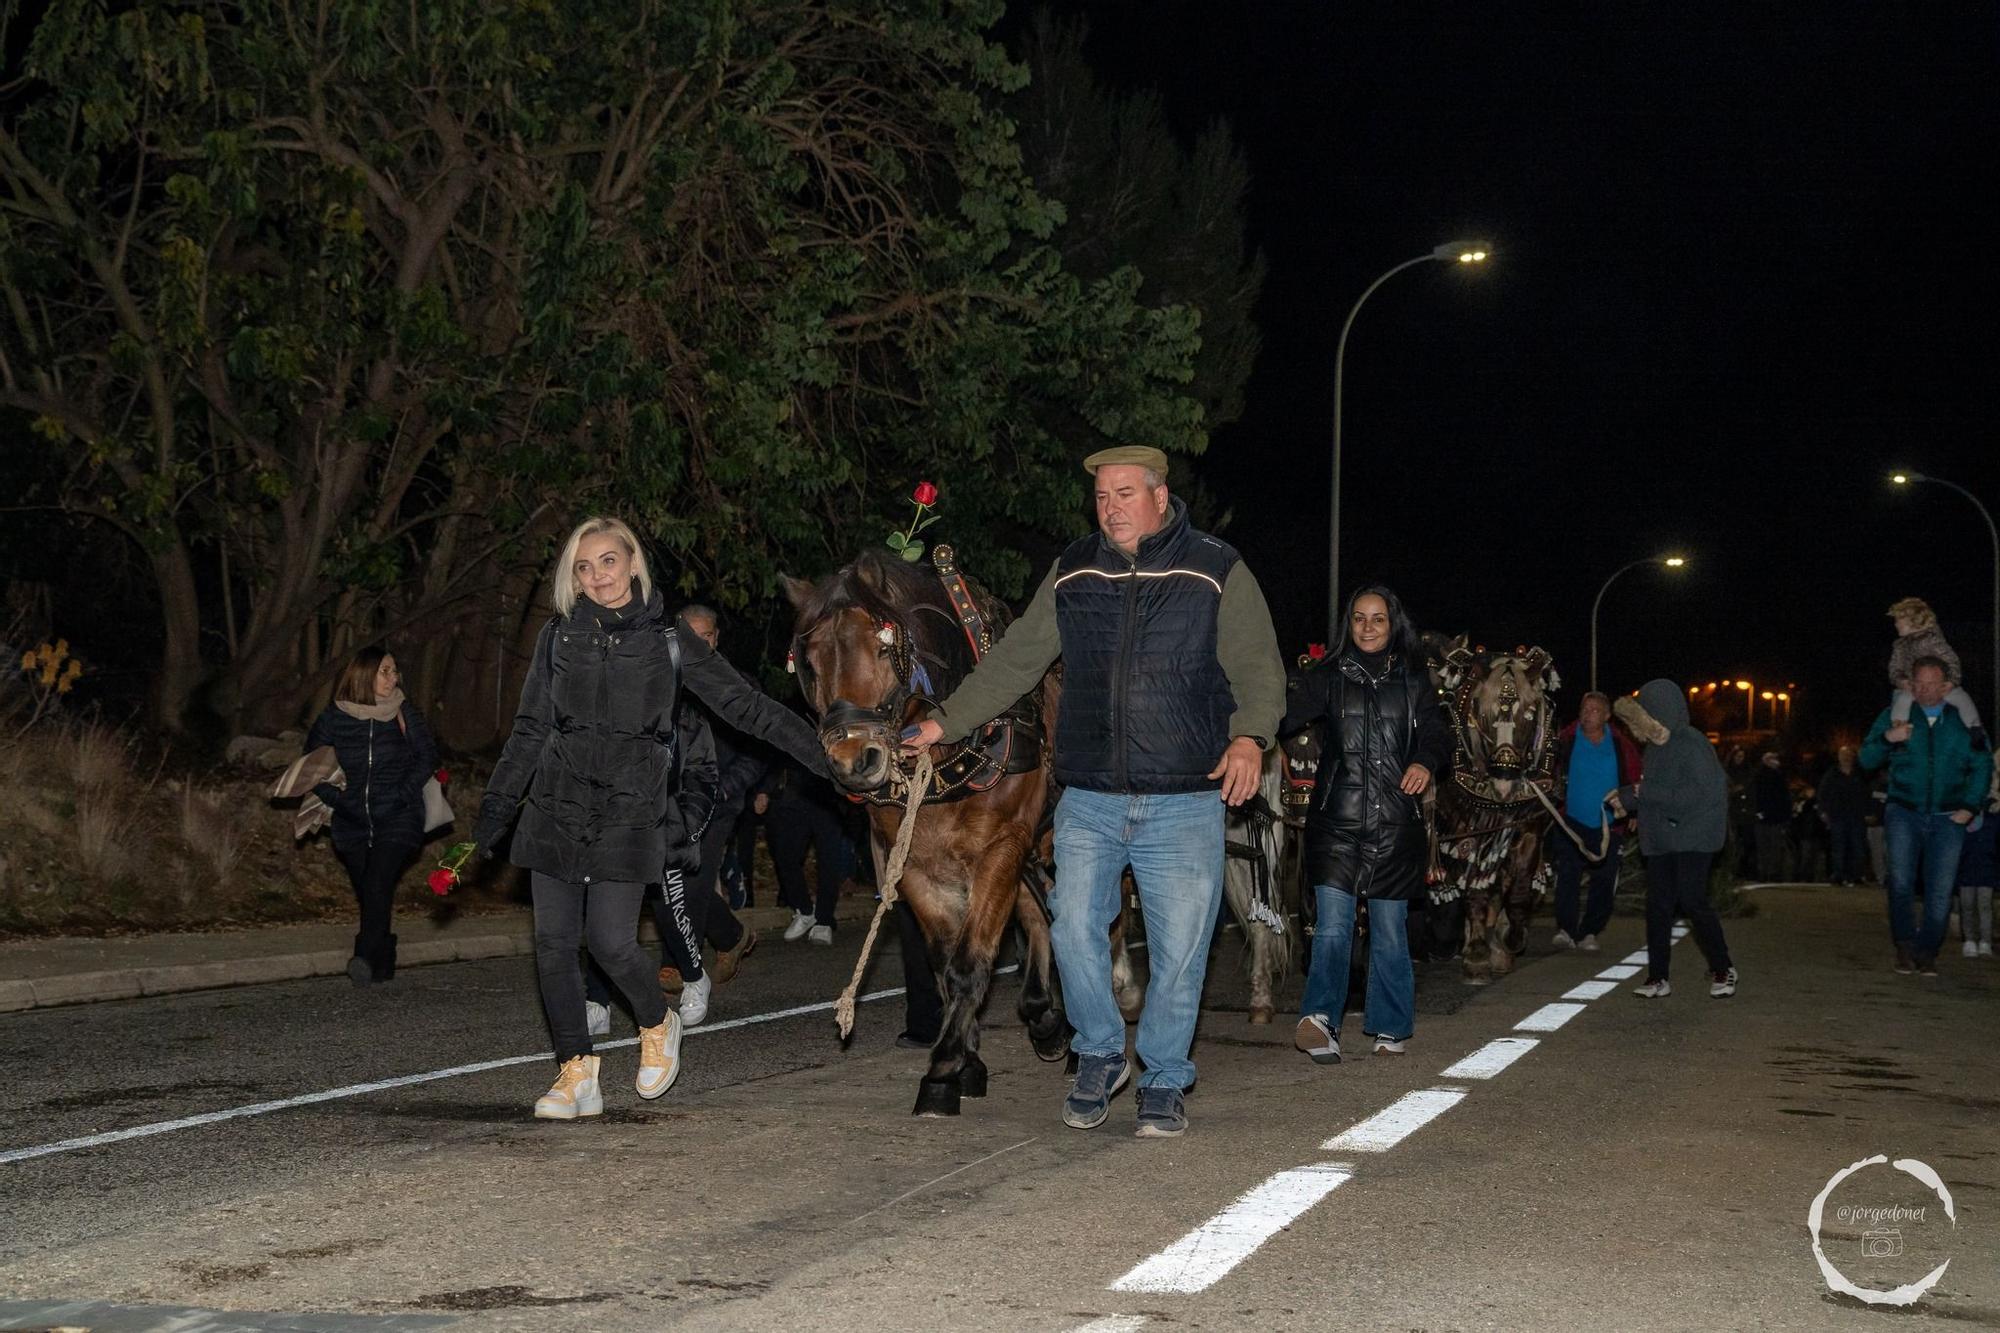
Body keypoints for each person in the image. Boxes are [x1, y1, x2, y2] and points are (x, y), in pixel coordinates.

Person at [902, 445, 1284, 1138]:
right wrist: (943, 720)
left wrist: (1249, 737)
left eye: (1126, 493)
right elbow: (1018, 656)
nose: (1111, 507)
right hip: (1091, 795)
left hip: (1184, 794)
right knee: (1073, 924)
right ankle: (1101, 1052)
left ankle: (1164, 1077)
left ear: (1160, 497)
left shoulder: (1216, 568)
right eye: (1103, 496)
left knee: (1180, 949)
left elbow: (1259, 666)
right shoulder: (1074, 568)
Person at [472, 516, 829, 1120]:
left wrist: (826, 755)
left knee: (611, 942)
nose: (596, 577)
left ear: (633, 563)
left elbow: (744, 706)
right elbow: (531, 728)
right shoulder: (558, 636)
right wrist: (496, 810)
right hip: (555, 808)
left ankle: (657, 1019)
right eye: (583, 568)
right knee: (554, 944)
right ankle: (575, 1072)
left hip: (628, 811)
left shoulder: (668, 638)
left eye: (607, 562)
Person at [1284, 585, 1451, 1065]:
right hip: (1336, 822)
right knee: (1333, 927)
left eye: (1378, 619)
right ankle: (1320, 1022)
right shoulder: (1327, 676)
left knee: (1389, 929)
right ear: (1348, 624)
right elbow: (1280, 713)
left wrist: (1423, 761)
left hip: (1396, 824)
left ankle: (1390, 1024)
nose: (1368, 627)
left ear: (1392, 623)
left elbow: (1438, 734)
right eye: (1359, 618)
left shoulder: (1415, 678)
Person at [305, 647, 437, 986]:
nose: (394, 678)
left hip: (398, 815)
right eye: (386, 671)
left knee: (378, 881)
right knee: (370, 891)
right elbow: (312, 765)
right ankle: (384, 952)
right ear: (364, 675)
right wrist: (340, 800)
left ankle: (363, 953)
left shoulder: (403, 711)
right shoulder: (335, 716)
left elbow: (427, 758)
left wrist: (400, 796)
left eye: (394, 671)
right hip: (351, 820)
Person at [1858, 655, 1992, 977]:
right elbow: (1865, 758)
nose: (1926, 690)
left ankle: (1927, 950)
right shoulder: (1895, 715)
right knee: (1901, 883)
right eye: (1919, 683)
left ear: (1947, 686)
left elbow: (1983, 764)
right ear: (1911, 684)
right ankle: (1904, 946)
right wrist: (1887, 739)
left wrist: (1971, 805)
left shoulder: (1964, 720)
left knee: (1940, 890)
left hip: (1949, 817)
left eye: (1933, 684)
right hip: (1904, 810)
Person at [1610, 680, 1737, 999]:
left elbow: (1703, 794)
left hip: (1696, 835)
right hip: (1664, 838)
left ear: (1661, 711)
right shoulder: (1654, 749)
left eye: (1645, 714)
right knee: (1658, 905)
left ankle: (1723, 967)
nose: (1639, 722)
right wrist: (1629, 799)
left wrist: (1644, 793)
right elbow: (1657, 793)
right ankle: (1658, 978)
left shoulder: (1692, 742)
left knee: (1693, 900)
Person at [1549, 690, 1641, 953]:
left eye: (1594, 710)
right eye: (1584, 709)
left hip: (1608, 824)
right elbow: (1548, 771)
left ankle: (1589, 931)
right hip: (1570, 821)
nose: (1587, 715)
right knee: (1567, 875)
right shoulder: (1565, 740)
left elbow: (1636, 779)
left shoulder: (1621, 745)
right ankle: (1566, 929)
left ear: (1607, 716)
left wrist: (1635, 813)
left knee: (1604, 879)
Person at [761, 758, 853, 945]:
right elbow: (775, 749)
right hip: (794, 794)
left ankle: (824, 920)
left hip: (830, 796)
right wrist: (764, 789)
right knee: (785, 855)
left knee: (828, 860)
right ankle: (804, 910)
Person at [1886, 598, 1985, 745]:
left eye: (1899, 620)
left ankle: (1975, 729)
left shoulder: (1933, 640)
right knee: (1902, 699)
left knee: (1961, 697)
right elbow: (1895, 669)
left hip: (1939, 684)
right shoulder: (1900, 646)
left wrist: (1951, 681)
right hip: (1915, 686)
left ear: (1914, 621)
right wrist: (1903, 681)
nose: (1895, 624)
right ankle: (1900, 733)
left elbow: (1952, 661)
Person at [1955, 762, 1998, 959]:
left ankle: (1986, 941)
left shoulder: (1993, 816)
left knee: (1985, 904)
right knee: (1967, 904)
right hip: (1966, 865)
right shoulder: (1962, 812)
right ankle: (1970, 939)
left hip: (1987, 865)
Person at [1815, 747, 1870, 886]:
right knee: (1838, 847)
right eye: (1843, 754)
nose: (1846, 757)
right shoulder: (1831, 774)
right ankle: (1838, 875)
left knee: (1858, 847)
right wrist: (1822, 811)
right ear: (1838, 757)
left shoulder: (1859, 774)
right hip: (1837, 815)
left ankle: (1857, 875)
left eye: (1848, 754)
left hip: (1856, 816)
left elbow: (1867, 795)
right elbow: (1822, 793)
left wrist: (1869, 812)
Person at [1750, 752, 1792, 881]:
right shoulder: (1759, 776)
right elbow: (1755, 796)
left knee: (1774, 846)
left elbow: (1785, 798)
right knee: (1764, 846)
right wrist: (1757, 812)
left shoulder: (1780, 776)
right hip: (1764, 816)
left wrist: (1786, 815)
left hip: (1776, 817)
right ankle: (1764, 872)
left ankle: (1772, 872)